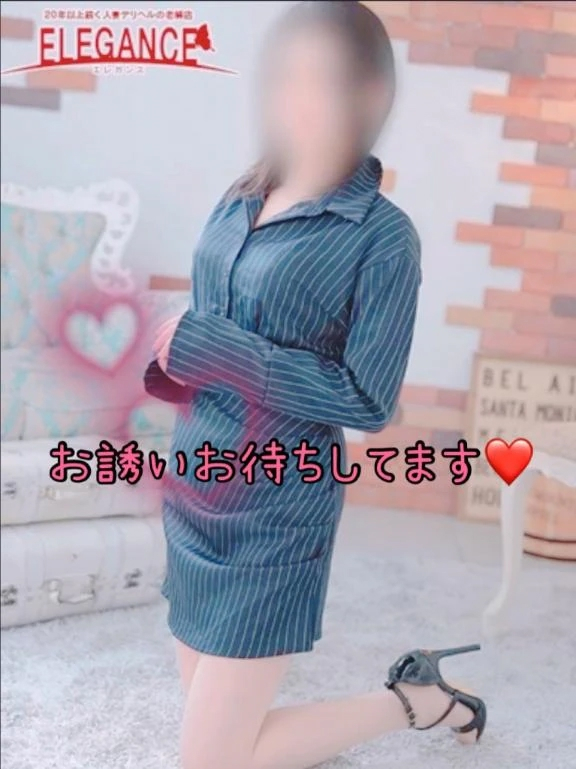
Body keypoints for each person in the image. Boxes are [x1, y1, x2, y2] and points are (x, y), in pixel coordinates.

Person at [144, 3, 486, 768]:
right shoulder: (243, 191)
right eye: (285, 76)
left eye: (321, 79)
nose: (296, 96)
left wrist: (215, 347)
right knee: (228, 739)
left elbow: (367, 400)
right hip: (195, 485)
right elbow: (210, 321)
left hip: (276, 507)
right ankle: (423, 693)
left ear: (368, 94)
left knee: (211, 759)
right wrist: (175, 345)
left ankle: (418, 700)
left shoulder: (383, 237)